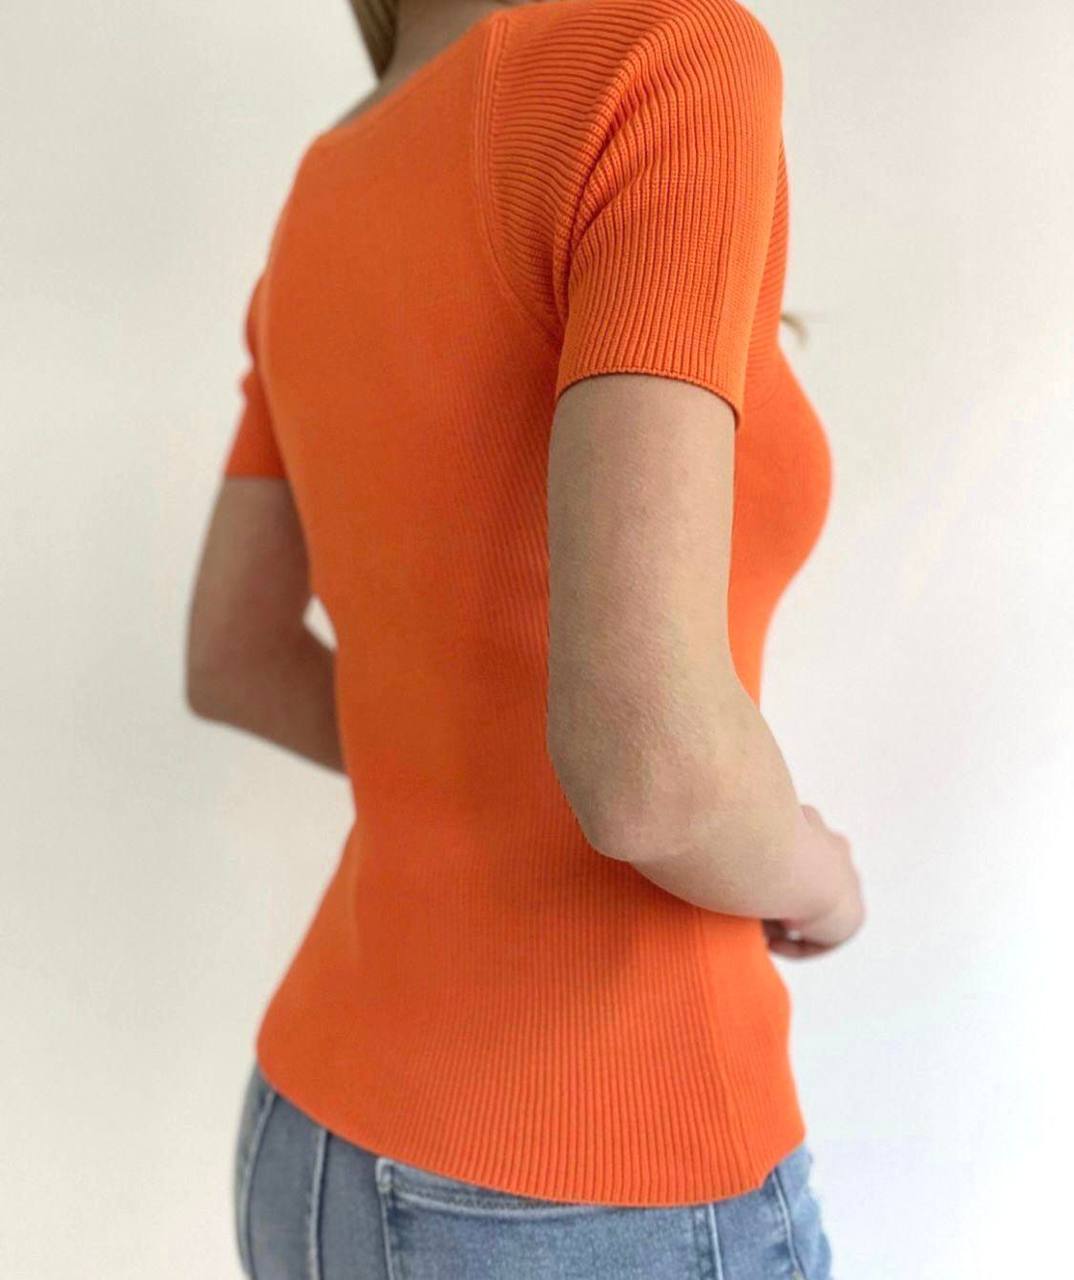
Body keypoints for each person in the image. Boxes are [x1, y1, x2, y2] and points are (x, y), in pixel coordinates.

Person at [185, 0, 866, 1275]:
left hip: (308, 1136)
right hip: (599, 1171)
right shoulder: (661, 58)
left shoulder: (323, 190)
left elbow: (232, 653)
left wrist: (463, 769)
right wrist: (820, 875)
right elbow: (656, 773)